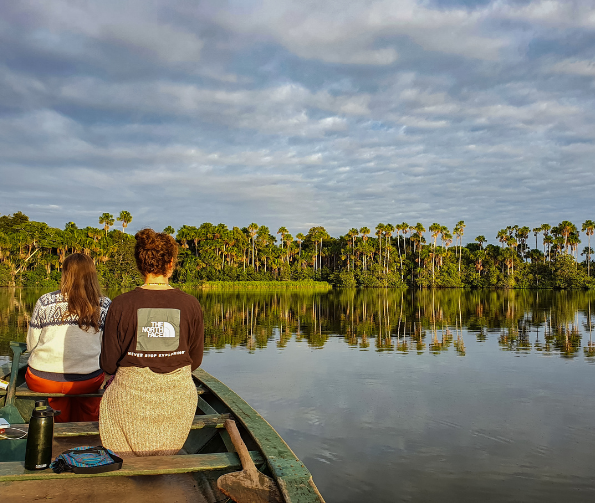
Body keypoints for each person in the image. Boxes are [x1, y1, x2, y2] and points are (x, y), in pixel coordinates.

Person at [99, 228, 204, 457]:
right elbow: (194, 361)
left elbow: (108, 364)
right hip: (176, 402)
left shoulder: (120, 304)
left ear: (140, 264)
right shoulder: (191, 304)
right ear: (171, 263)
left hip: (129, 402)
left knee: (110, 390)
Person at [26, 253, 111, 423]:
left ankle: (56, 428)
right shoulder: (105, 304)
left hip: (43, 379)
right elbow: (106, 347)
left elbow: (31, 345)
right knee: (89, 395)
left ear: (65, 274)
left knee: (58, 400)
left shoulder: (45, 301)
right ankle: (86, 430)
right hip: (88, 379)